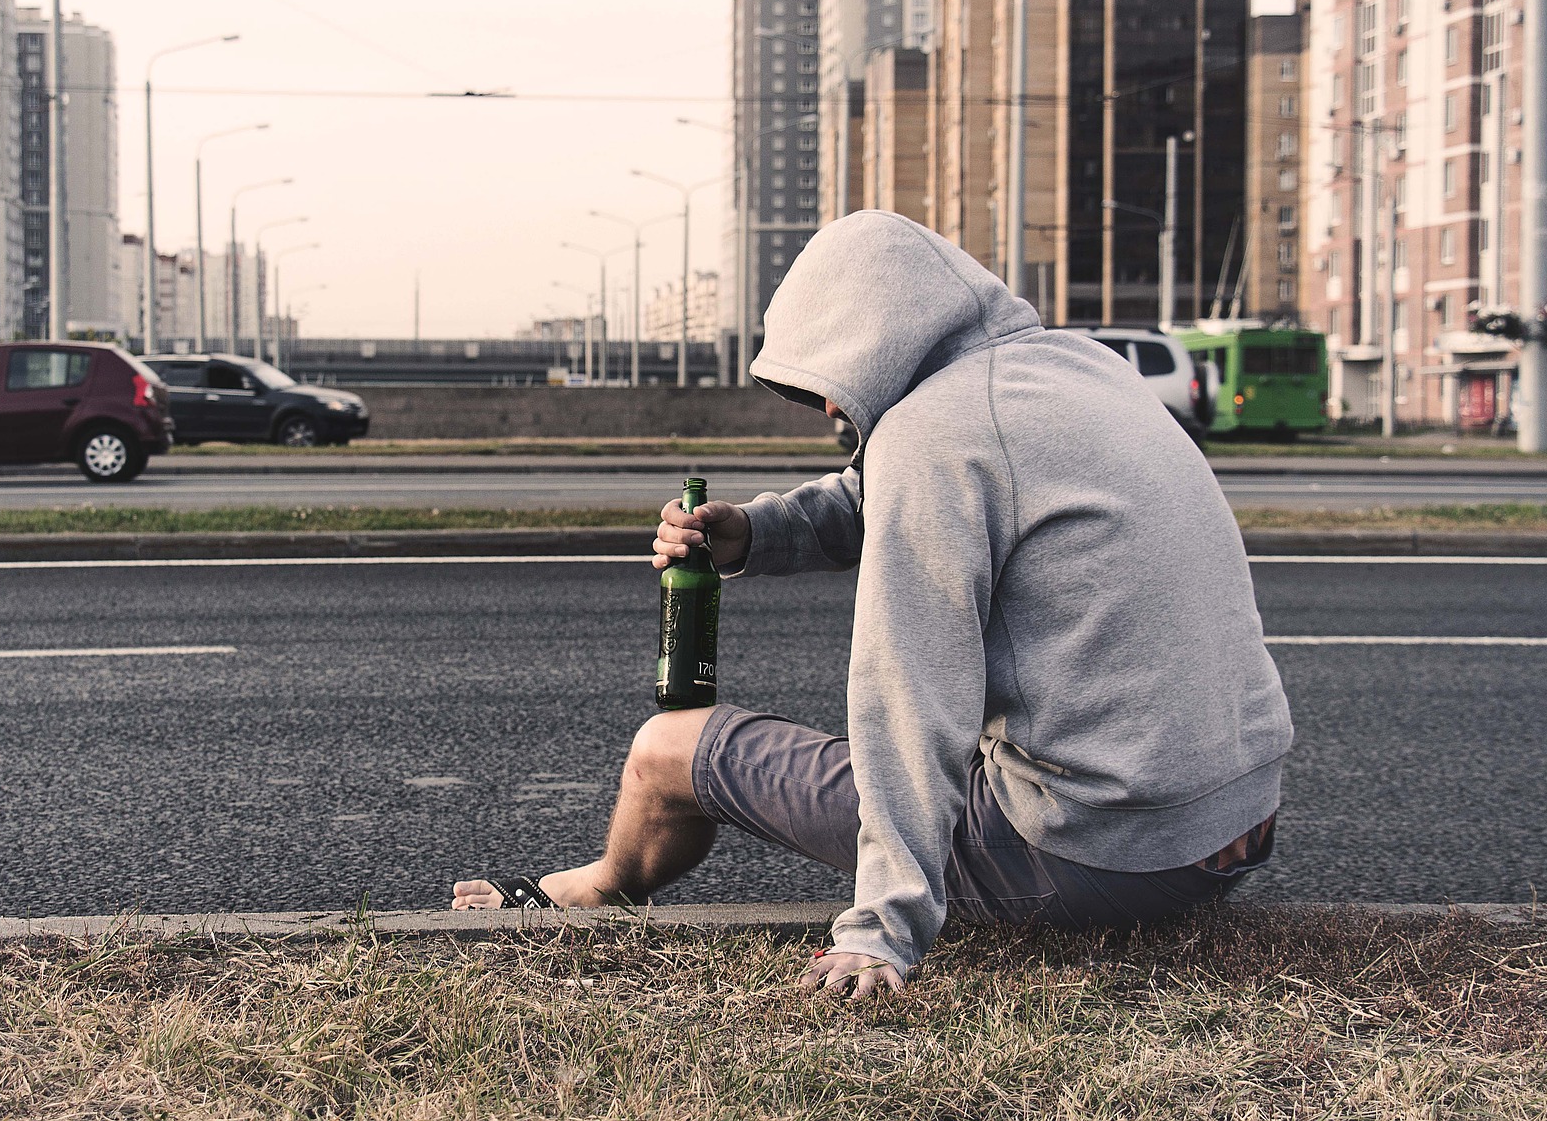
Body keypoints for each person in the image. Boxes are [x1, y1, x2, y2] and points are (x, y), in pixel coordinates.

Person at [453, 211, 1293, 999]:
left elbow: (909, 696)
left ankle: (599, 886)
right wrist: (753, 532)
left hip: (1105, 857)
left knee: (666, 749)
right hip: (1234, 827)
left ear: (882, 341)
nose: (827, 407)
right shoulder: (1075, 369)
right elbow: (877, 493)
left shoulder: (936, 436)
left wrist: (882, 928)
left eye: (836, 375)